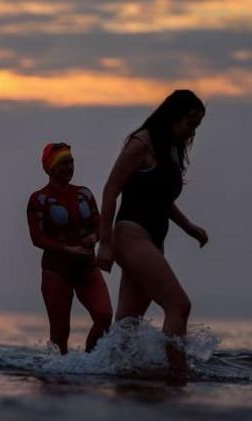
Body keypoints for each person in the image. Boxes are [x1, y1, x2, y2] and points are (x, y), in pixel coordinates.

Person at [96, 89, 209, 383]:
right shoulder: (141, 143)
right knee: (179, 306)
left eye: (197, 126)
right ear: (172, 117)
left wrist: (188, 226)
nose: (192, 132)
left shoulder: (169, 149)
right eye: (190, 124)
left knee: (127, 324)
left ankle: (110, 373)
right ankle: (178, 375)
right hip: (131, 235)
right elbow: (111, 189)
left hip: (152, 240)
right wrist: (104, 243)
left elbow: (160, 198)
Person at [27, 142, 113, 354]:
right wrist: (66, 249)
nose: (69, 167)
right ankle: (58, 371)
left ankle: (90, 361)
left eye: (71, 162)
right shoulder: (39, 199)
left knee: (104, 316)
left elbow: (100, 224)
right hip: (56, 271)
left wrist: (94, 237)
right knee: (60, 333)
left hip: (87, 268)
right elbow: (37, 238)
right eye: (63, 163)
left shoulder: (84, 194)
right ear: (50, 168)